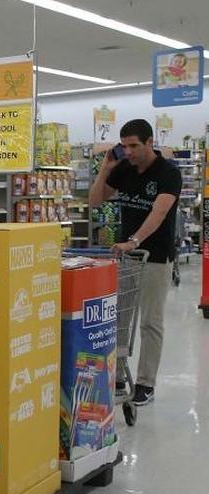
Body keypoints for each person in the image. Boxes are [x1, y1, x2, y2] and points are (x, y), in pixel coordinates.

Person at [89, 119, 181, 406]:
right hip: (126, 256)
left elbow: (159, 213)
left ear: (150, 142)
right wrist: (105, 169)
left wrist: (134, 240)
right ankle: (117, 376)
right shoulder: (124, 169)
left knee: (150, 322)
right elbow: (93, 202)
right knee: (119, 319)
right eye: (124, 145)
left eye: (134, 145)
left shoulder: (168, 173)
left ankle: (145, 383)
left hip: (155, 256)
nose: (128, 151)